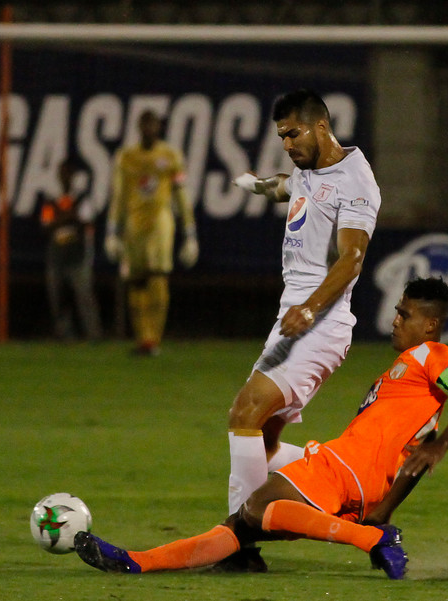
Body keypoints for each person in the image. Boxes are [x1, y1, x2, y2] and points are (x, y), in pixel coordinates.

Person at [74, 277, 448, 580]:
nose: (395, 319)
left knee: (255, 508)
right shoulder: (409, 378)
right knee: (241, 525)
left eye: (405, 314)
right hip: (359, 484)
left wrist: (443, 448)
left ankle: (372, 540)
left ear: (430, 325)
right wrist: (383, 512)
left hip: (344, 469)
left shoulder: (432, 355)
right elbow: (416, 452)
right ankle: (135, 562)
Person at [222, 89, 381, 567]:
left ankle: (240, 543)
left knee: (244, 412)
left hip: (319, 323)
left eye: (292, 134)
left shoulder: (356, 180)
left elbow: (352, 259)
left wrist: (310, 309)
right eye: (281, 136)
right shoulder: (310, 172)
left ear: (320, 127)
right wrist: (254, 184)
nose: (287, 143)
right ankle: (345, 492)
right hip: (294, 320)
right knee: (262, 443)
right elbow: (285, 187)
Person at [104, 109, 199, 356]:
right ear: (139, 127)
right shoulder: (126, 157)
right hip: (134, 224)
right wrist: (112, 231)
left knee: (157, 277)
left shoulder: (170, 156)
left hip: (160, 221)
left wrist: (190, 234)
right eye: (145, 124)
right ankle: (142, 338)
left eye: (153, 125)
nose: (149, 129)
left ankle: (153, 339)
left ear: (158, 127)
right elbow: (119, 195)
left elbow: (181, 194)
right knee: (136, 281)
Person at [39, 158, 102, 341]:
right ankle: (65, 335)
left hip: (78, 254)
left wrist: (61, 219)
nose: (65, 177)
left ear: (74, 176)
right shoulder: (52, 199)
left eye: (68, 173)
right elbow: (46, 226)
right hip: (56, 254)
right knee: (57, 295)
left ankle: (93, 334)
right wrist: (69, 217)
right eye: (62, 173)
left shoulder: (83, 198)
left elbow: (86, 222)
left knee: (84, 294)